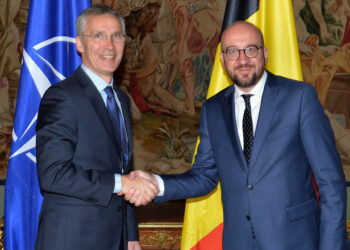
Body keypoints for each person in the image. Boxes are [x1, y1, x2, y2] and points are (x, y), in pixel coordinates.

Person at [122, 21, 348, 250]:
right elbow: (204, 177)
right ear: (222, 59)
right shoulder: (213, 109)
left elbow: (331, 183)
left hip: (295, 242)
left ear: (265, 54)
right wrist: (157, 184)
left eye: (251, 49)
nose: (242, 59)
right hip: (238, 243)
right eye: (232, 51)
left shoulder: (299, 98)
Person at [35, 4, 158, 250]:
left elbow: (125, 167)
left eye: (116, 36)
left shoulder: (122, 99)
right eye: (98, 35)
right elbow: (53, 174)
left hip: (117, 238)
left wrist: (130, 234)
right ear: (80, 44)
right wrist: (121, 183)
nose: (109, 45)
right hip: (72, 240)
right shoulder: (62, 96)